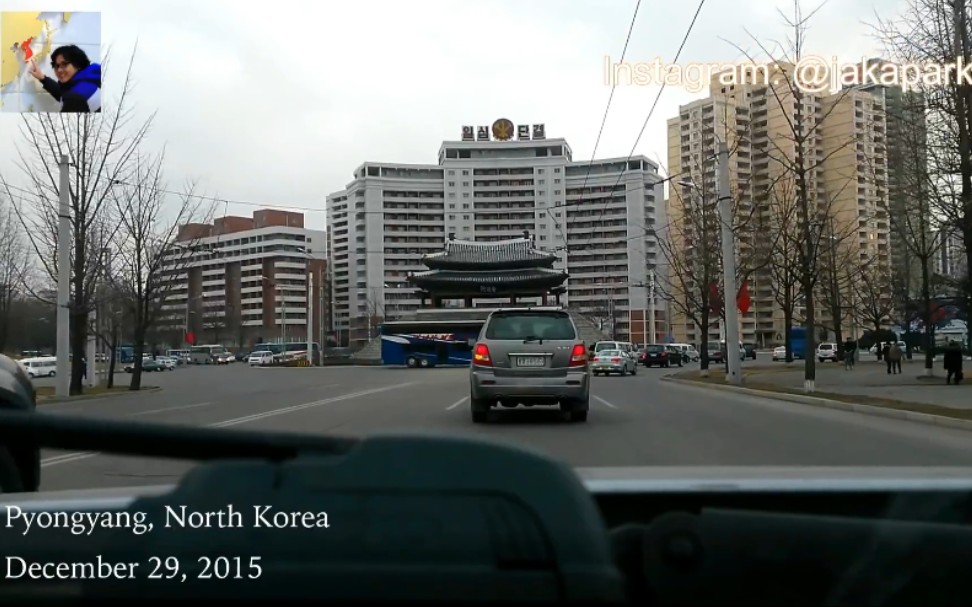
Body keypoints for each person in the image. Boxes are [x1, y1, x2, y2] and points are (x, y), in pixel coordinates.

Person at [27, 45, 101, 113]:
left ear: (77, 64)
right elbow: (62, 93)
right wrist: (43, 78)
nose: (59, 70)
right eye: (57, 66)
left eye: (64, 64)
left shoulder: (74, 97)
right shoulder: (89, 78)